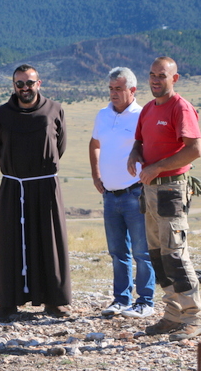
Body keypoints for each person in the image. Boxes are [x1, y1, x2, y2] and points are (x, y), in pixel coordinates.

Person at [127, 57, 201, 341]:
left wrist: (158, 167)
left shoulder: (180, 107)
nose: (155, 80)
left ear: (175, 79)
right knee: (157, 255)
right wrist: (134, 154)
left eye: (161, 76)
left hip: (171, 189)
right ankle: (173, 314)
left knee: (175, 254)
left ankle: (195, 317)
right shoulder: (148, 109)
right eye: (151, 75)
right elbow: (140, 140)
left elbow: (195, 150)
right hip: (149, 191)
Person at [0, 64, 70, 319]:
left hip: (45, 186)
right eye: (20, 84)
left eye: (30, 83)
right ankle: (8, 301)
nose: (25, 88)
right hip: (14, 186)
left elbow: (60, 145)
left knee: (49, 241)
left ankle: (53, 300)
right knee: (9, 241)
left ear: (39, 83)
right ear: (14, 86)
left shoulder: (54, 110)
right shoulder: (1, 114)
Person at [89, 67, 155, 320]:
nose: (113, 94)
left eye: (119, 89)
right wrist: (96, 175)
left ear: (132, 90)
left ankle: (145, 301)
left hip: (135, 193)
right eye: (111, 89)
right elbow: (95, 143)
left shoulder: (142, 115)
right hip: (110, 194)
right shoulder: (102, 115)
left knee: (142, 250)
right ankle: (120, 299)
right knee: (118, 251)